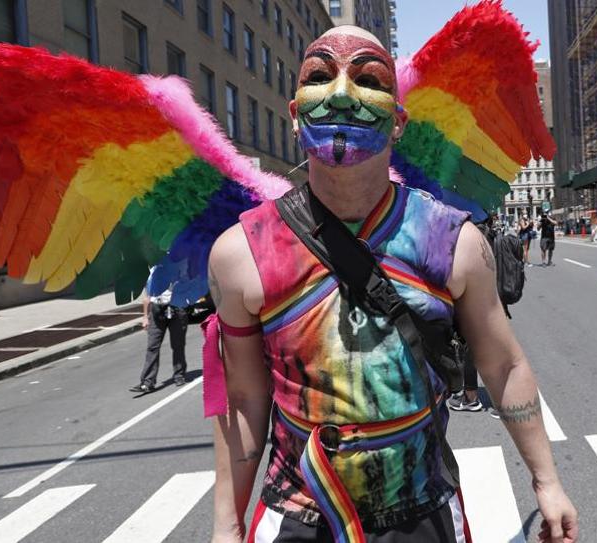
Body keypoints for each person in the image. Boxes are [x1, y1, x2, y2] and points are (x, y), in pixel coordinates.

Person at [207, 26, 577, 543]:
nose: (341, 93)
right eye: (319, 75)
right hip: (296, 518)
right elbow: (244, 398)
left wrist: (547, 481)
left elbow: (503, 364)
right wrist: (227, 524)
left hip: (423, 515)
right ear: (295, 114)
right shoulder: (239, 253)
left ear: (398, 122)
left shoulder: (455, 243)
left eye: (368, 79)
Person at [130, 282, 188, 393]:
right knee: (152, 347)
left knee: (178, 345)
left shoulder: (177, 267)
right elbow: (147, 296)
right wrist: (145, 317)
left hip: (176, 309)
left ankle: (179, 375)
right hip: (156, 310)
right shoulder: (151, 272)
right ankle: (147, 382)